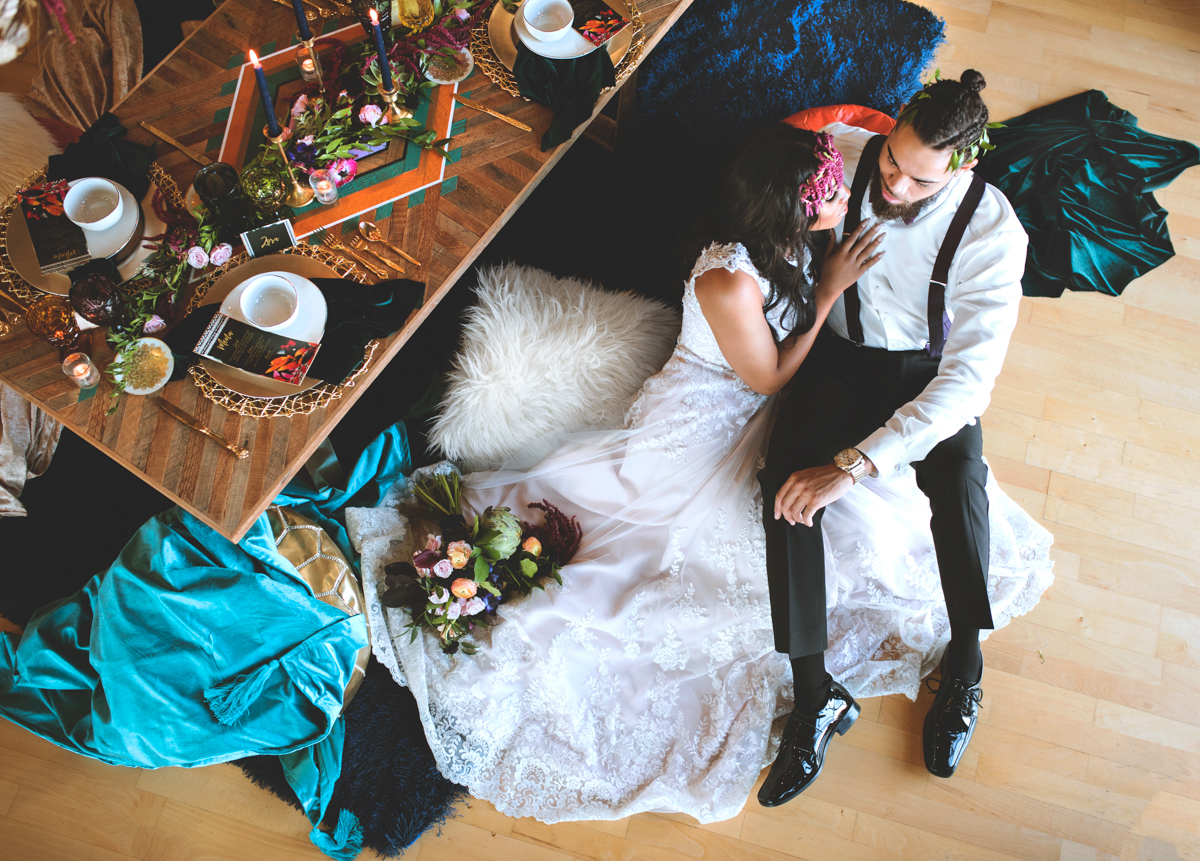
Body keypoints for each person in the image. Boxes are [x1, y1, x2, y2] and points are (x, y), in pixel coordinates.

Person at [355, 122, 1052, 824]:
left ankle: (950, 670)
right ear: (797, 209)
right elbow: (772, 374)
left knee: (888, 503)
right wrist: (831, 289)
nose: (864, 190)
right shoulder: (728, 279)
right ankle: (814, 693)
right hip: (708, 414)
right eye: (837, 191)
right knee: (660, 556)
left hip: (795, 392)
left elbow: (835, 159)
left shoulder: (859, 216)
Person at [756, 70, 1041, 808]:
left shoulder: (994, 236)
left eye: (918, 180)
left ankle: (966, 661)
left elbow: (969, 385)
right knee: (783, 485)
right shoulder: (843, 155)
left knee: (961, 482)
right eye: (891, 162)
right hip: (839, 356)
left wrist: (854, 466)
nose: (895, 185)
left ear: (965, 165)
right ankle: (815, 692)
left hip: (928, 374)